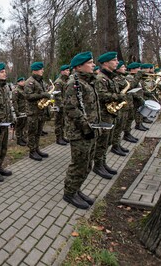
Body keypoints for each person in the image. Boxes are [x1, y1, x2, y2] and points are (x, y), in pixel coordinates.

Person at [63, 52, 101, 209]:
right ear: (79, 66)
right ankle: (69, 193)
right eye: (90, 62)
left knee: (87, 165)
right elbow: (71, 108)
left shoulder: (87, 82)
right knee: (78, 164)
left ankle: (77, 189)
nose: (93, 65)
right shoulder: (74, 83)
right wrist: (86, 127)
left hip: (90, 130)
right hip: (80, 133)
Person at [93, 51, 126, 179]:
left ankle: (103, 163)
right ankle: (98, 165)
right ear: (106, 63)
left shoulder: (109, 78)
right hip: (103, 115)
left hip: (109, 113)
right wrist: (118, 97)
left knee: (106, 142)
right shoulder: (100, 78)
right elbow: (101, 96)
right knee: (102, 142)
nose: (117, 63)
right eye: (115, 60)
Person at [24, 62, 50, 161]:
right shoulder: (29, 82)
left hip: (40, 111)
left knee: (38, 132)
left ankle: (37, 149)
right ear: (35, 70)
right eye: (41, 69)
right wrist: (43, 95)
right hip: (33, 112)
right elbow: (28, 96)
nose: (43, 70)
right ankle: (32, 151)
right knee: (32, 133)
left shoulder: (41, 81)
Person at [110, 61, 130, 156]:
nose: (125, 68)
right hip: (114, 107)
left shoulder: (121, 78)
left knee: (120, 127)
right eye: (122, 67)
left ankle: (117, 144)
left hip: (121, 106)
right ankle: (115, 146)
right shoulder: (115, 78)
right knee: (117, 128)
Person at [122, 62, 141, 142]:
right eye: (138, 68)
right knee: (124, 122)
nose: (125, 68)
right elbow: (132, 86)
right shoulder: (129, 77)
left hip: (131, 101)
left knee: (130, 119)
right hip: (127, 102)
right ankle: (125, 136)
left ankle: (128, 134)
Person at [53, 64, 70, 145]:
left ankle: (62, 136)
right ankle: (58, 138)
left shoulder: (66, 81)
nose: (68, 72)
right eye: (66, 70)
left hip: (64, 105)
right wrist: (62, 105)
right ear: (62, 72)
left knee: (63, 122)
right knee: (58, 122)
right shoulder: (58, 82)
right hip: (59, 106)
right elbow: (57, 95)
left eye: (68, 70)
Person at [12, 77, 28, 146]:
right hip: (20, 111)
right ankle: (18, 139)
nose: (23, 82)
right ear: (18, 82)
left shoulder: (24, 90)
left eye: (23, 81)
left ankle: (22, 138)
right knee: (19, 126)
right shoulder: (16, 91)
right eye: (21, 81)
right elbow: (14, 102)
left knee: (23, 125)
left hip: (25, 110)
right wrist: (17, 112)